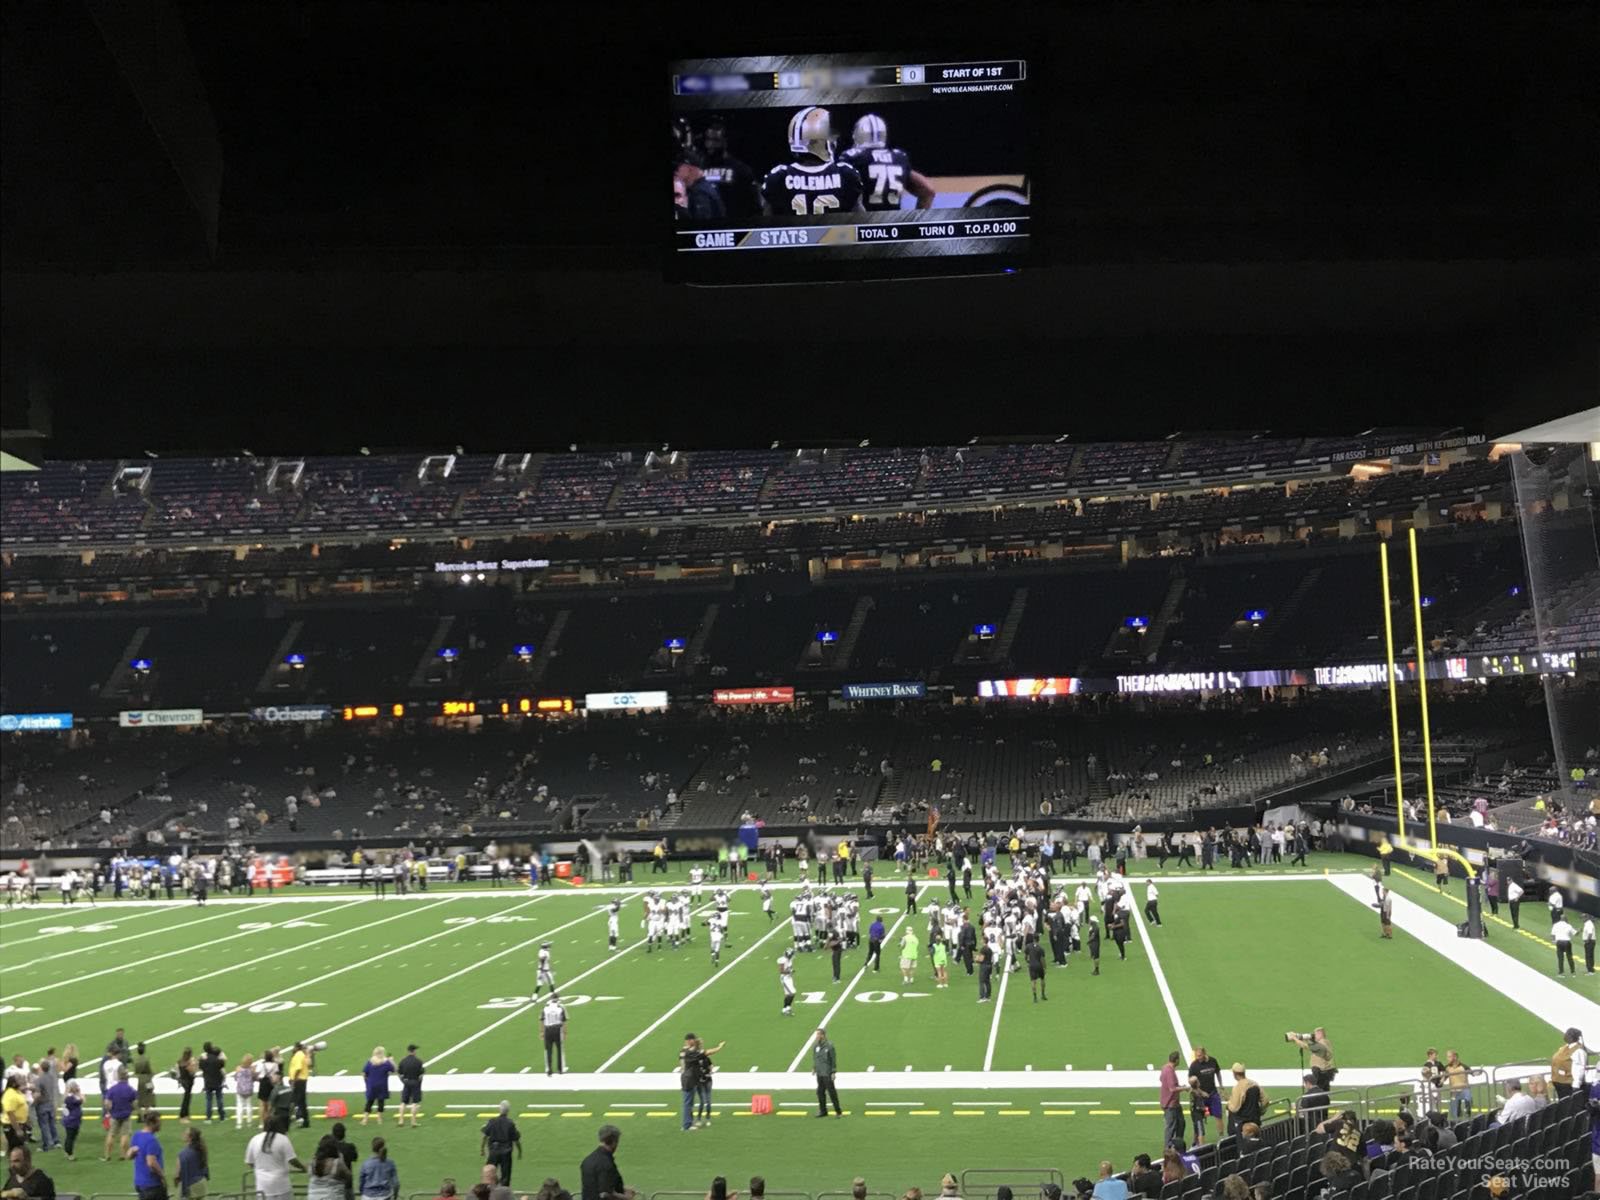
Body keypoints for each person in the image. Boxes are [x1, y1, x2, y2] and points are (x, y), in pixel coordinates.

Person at [245, 1116, 304, 1200]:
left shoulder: (255, 1139)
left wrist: (259, 1169)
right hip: (281, 1185)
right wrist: (303, 1167)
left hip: (262, 1186)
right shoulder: (283, 1139)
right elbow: (292, 1160)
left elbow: (249, 1162)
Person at [579, 1126, 635, 1200]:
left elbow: (594, 1186)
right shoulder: (606, 1163)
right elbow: (605, 1193)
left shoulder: (587, 1160)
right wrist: (627, 1197)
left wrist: (622, 1188)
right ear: (614, 1141)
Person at [127, 1110, 167, 1200]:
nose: (161, 1125)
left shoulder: (137, 1135)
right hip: (152, 1184)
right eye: (159, 1122)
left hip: (139, 1182)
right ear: (152, 1123)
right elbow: (151, 1163)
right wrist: (162, 1176)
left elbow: (129, 1155)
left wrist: (133, 1151)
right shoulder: (151, 1140)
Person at [480, 1101, 521, 1184]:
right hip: (506, 1153)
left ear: (499, 1109)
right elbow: (516, 1140)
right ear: (508, 1111)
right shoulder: (510, 1123)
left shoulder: (492, 1121)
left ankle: (488, 1191)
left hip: (494, 1151)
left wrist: (482, 1149)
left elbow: (484, 1136)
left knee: (489, 1173)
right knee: (505, 1176)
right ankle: (504, 1192)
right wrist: (520, 1151)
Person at [103, 1066, 138, 1161]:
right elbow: (135, 1104)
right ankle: (123, 1154)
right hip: (126, 1115)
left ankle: (108, 1155)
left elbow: (107, 1103)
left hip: (114, 1115)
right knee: (124, 1135)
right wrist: (132, 1109)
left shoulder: (112, 1089)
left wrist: (109, 1111)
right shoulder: (131, 1090)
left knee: (111, 1134)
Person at [1224, 1063, 1265, 1135]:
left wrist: (1229, 1104)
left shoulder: (1238, 1087)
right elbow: (1265, 1100)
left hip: (1242, 1123)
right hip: (1255, 1120)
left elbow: (1234, 1108)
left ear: (1234, 1074)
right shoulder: (1254, 1083)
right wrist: (1260, 1112)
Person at [811, 1028, 841, 1118]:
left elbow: (833, 1059)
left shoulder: (829, 1046)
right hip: (819, 1073)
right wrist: (814, 1068)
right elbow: (816, 1058)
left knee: (832, 1092)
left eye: (818, 1034)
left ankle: (838, 1111)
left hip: (827, 1073)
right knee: (820, 1092)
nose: (816, 1036)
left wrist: (833, 1072)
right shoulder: (816, 1046)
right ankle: (823, 1111)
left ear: (823, 1035)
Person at [1158, 1052, 1186, 1148]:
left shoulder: (1165, 1067)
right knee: (1171, 1126)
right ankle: (1168, 1148)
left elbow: (1161, 1079)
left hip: (1173, 1103)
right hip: (1170, 1104)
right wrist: (1184, 1088)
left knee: (1181, 1123)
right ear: (1176, 1060)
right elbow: (1172, 1088)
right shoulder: (1169, 1071)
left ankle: (1178, 1144)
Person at [361, 1048, 394, 1126]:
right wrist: (391, 1060)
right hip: (382, 1085)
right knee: (381, 1102)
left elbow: (364, 1073)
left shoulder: (370, 1062)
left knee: (369, 1102)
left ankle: (365, 1119)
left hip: (372, 1084)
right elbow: (393, 1069)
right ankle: (379, 1118)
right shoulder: (386, 1062)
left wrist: (367, 1082)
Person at [396, 1046, 424, 1128]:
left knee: (403, 1102)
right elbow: (421, 1075)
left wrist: (403, 1081)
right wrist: (419, 1083)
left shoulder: (403, 1061)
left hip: (406, 1082)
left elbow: (399, 1072)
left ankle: (401, 1120)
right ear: (414, 1051)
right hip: (415, 1082)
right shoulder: (418, 1061)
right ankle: (413, 1121)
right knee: (414, 1103)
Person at [177, 1126, 209, 1200]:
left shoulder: (183, 1154)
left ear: (190, 1138)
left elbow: (178, 1174)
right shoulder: (201, 1150)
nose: (183, 1134)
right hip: (202, 1185)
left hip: (190, 1187)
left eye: (185, 1133)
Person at [287, 1043, 313, 1129]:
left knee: (294, 1101)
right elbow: (309, 1065)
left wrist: (293, 1080)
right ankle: (305, 1121)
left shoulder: (298, 1055)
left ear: (297, 1048)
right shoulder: (302, 1055)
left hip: (299, 1080)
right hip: (301, 1080)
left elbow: (298, 1068)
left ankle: (290, 1119)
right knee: (300, 1102)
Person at [199, 1044, 228, 1123]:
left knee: (209, 1100)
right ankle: (222, 1117)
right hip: (218, 1081)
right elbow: (223, 1062)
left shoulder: (203, 1061)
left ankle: (208, 1118)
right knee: (219, 1099)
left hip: (207, 1082)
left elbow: (201, 1066)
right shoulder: (218, 1061)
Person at [542, 993, 568, 1076]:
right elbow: (564, 1020)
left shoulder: (546, 1007)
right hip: (557, 1029)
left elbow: (542, 1020)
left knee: (548, 1051)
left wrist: (541, 1032)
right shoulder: (560, 1007)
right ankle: (560, 1069)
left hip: (547, 1029)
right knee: (560, 1050)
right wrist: (564, 1032)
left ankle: (549, 1069)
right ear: (558, 998)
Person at [60, 1083, 82, 1161]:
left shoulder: (68, 1097)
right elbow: (81, 1100)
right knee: (70, 1138)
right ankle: (70, 1153)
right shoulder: (71, 1098)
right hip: (72, 1121)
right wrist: (79, 1093)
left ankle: (67, 1151)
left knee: (69, 1137)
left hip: (70, 1120)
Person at [176, 1049, 198, 1122]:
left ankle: (186, 1114)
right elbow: (192, 1072)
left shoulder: (180, 1061)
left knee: (187, 1098)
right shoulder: (188, 1063)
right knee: (186, 1099)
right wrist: (194, 1064)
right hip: (188, 1082)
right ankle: (183, 1116)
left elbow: (177, 1071)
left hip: (183, 1081)